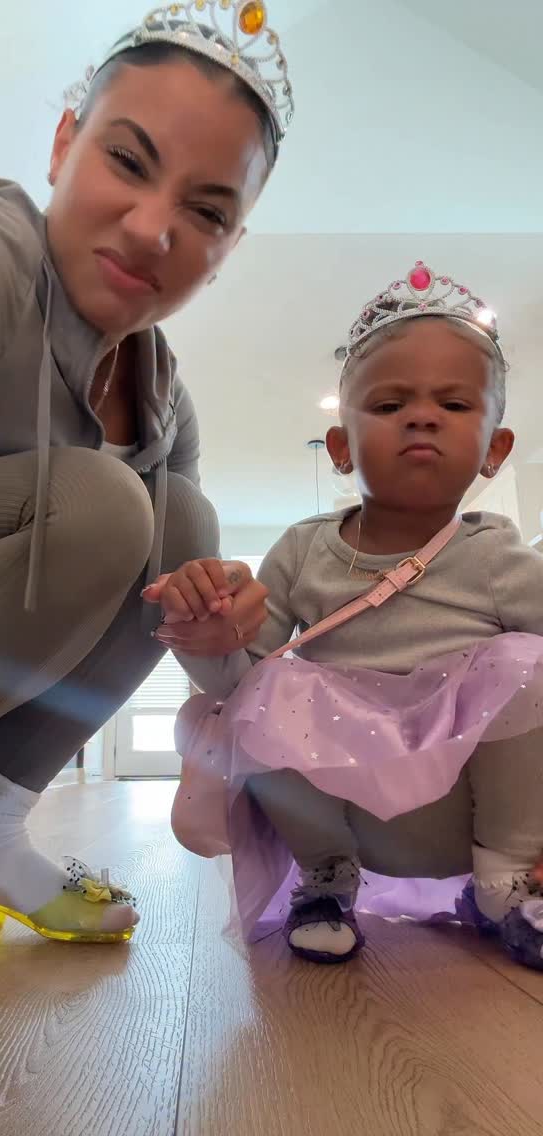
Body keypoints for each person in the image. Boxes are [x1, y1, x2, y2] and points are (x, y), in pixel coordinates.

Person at [0, 0, 292, 1004]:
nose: (154, 228)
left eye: (207, 213)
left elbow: (210, 664)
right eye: (126, 159)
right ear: (63, 143)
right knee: (108, 505)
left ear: (231, 245)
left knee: (182, 525)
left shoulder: (163, 401)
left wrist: (225, 630)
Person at [157, 262, 543, 971]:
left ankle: (507, 883)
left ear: (495, 449)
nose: (422, 416)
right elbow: (237, 688)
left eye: (455, 404)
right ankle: (325, 881)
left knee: (528, 664)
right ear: (340, 449)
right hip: (345, 819)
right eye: (389, 404)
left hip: (462, 819)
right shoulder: (304, 550)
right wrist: (207, 635)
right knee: (265, 689)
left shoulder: (499, 557)